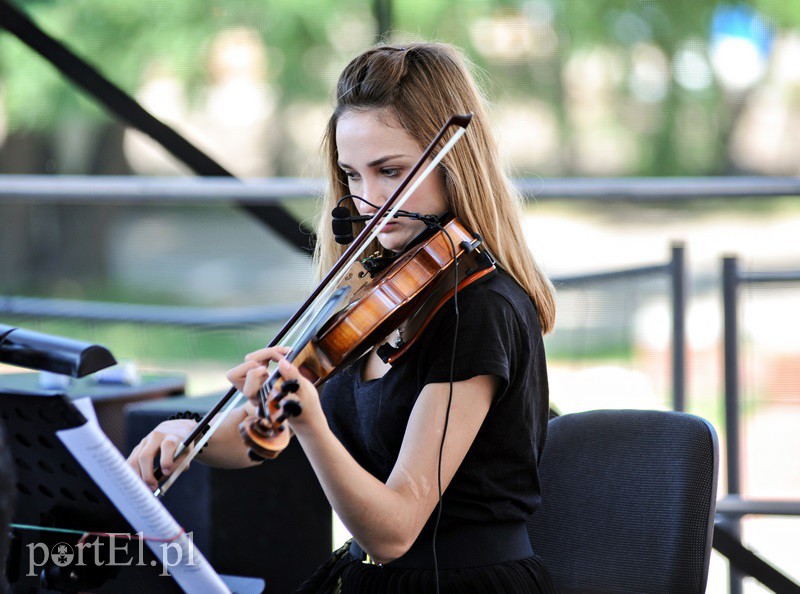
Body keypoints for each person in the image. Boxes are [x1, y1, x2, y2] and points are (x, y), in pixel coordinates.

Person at [128, 42, 557, 593]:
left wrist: (310, 421)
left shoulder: (480, 309)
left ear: (454, 165)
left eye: (391, 171)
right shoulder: (370, 294)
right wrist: (190, 436)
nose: (370, 199)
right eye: (352, 176)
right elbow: (263, 434)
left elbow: (396, 529)